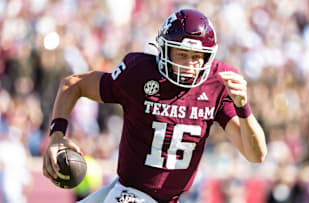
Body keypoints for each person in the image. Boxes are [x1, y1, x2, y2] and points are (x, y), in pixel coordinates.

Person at [42, 9, 267, 203]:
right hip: (128, 191)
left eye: (197, 56)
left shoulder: (218, 82)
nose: (190, 65)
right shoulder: (140, 73)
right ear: (165, 51)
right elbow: (73, 84)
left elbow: (256, 155)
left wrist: (243, 108)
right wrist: (56, 136)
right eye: (182, 54)